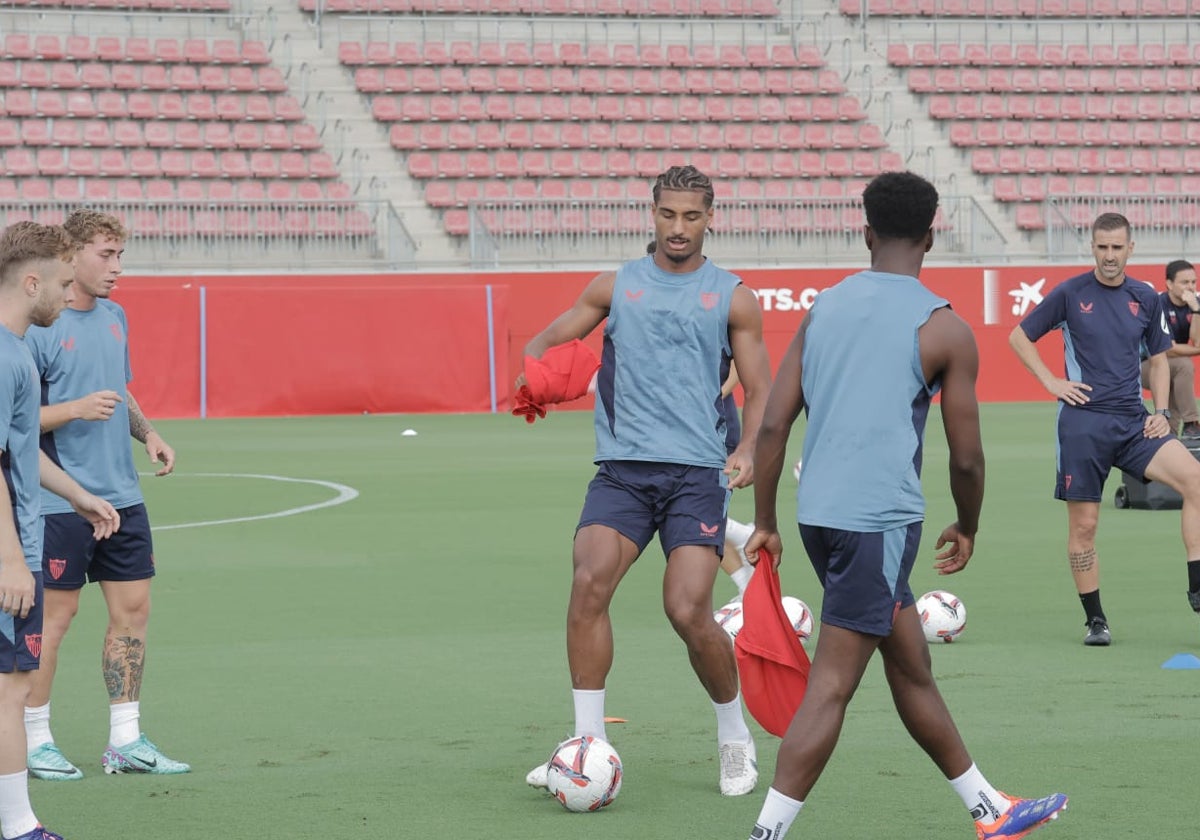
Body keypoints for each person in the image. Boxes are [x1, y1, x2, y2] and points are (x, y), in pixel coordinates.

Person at [741, 171, 1068, 839]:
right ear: (931, 233)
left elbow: (773, 427)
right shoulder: (945, 328)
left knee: (910, 664)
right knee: (832, 685)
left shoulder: (823, 308)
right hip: (878, 524)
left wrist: (769, 522)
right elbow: (968, 457)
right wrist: (968, 525)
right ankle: (766, 833)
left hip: (818, 517)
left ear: (866, 232)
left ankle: (990, 810)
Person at [522, 165, 773, 796]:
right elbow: (546, 342)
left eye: (692, 216)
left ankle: (733, 735)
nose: (679, 228)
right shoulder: (614, 287)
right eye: (669, 215)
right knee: (587, 585)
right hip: (623, 472)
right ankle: (585, 744)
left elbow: (762, 388)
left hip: (696, 474)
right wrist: (541, 377)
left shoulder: (733, 296)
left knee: (687, 608)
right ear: (652, 214)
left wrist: (746, 447)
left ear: (710, 217)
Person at [21, 210, 189, 781]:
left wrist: (150, 433)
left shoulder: (116, 316)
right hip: (57, 502)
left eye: (120, 255)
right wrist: (72, 409)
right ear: (72, 255)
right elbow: (17, 424)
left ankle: (126, 740)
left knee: (133, 615)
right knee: (55, 620)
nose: (117, 267)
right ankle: (36, 740)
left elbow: (121, 389)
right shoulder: (38, 327)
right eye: (105, 254)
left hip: (124, 496)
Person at [1011, 213, 1200, 646]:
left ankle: (1197, 586)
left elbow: (1159, 358)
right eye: (1102, 247)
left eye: (1117, 247)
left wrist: (1162, 410)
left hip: (1136, 424)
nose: (1109, 256)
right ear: (1092, 248)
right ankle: (1096, 620)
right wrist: (1051, 382)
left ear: (1130, 249)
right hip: (1083, 426)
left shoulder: (1146, 298)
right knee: (1085, 527)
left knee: (1195, 479)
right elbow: (1020, 337)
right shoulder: (1070, 293)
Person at [0, 221, 121, 840]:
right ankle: (19, 826)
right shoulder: (4, 354)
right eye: (62, 281)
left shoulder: (16, 350)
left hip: (27, 533)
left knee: (11, 684)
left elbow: (20, 452)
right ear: (30, 281)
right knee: (11, 688)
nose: (69, 291)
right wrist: (11, 560)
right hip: (9, 553)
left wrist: (80, 496)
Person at [1140, 259, 1200, 438]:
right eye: (1184, 282)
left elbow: (1197, 342)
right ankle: (1192, 422)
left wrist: (1196, 310)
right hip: (1143, 366)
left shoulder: (1195, 303)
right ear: (1169, 284)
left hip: (1168, 368)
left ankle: (1168, 437)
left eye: (1193, 282)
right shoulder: (1159, 305)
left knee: (1175, 388)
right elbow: (1168, 349)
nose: (1190, 287)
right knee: (1183, 365)